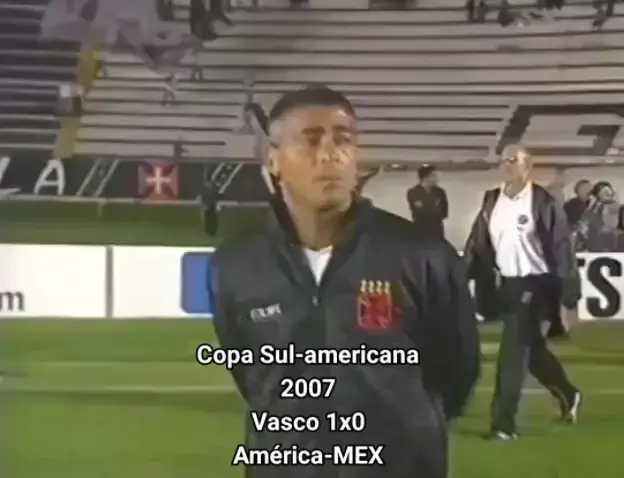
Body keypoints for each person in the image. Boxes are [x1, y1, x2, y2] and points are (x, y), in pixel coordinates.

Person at [211, 86, 480, 478]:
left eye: (343, 140)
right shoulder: (236, 264)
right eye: (310, 140)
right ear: (274, 160)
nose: (330, 153)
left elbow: (456, 373)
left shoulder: (423, 255)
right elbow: (250, 375)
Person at [463, 144, 582, 441]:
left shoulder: (543, 201)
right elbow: (477, 244)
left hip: (538, 284)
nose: (507, 165)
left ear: (528, 165)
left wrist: (569, 296)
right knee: (531, 351)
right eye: (504, 160)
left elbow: (562, 247)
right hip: (508, 284)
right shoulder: (492, 200)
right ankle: (569, 393)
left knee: (512, 352)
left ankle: (503, 425)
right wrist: (460, 276)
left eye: (514, 160)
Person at [406, 165, 448, 240]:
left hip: (437, 229)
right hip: (420, 230)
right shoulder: (413, 193)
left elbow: (444, 212)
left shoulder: (440, 192)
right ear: (426, 177)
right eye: (434, 176)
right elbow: (416, 213)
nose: (437, 179)